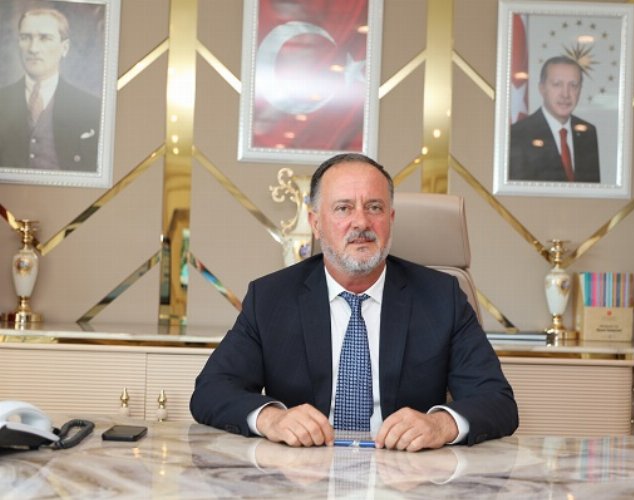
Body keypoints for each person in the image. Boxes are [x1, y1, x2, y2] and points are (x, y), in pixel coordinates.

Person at [191, 153, 519, 451]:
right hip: (301, 473)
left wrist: (440, 424)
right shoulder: (271, 298)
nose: (361, 223)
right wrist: (271, 419)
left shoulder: (441, 297)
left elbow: (497, 400)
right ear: (316, 223)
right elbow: (211, 390)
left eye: (374, 207)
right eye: (343, 208)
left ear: (390, 218)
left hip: (408, 474)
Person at [0, 7, 100, 171]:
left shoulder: (92, 108)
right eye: (25, 37)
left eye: (45, 38)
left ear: (64, 48)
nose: (33, 48)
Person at [509, 56, 600, 183]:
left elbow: (592, 189)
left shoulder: (588, 133)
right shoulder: (518, 134)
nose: (565, 94)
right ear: (542, 88)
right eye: (557, 84)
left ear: (580, 90)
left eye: (573, 85)